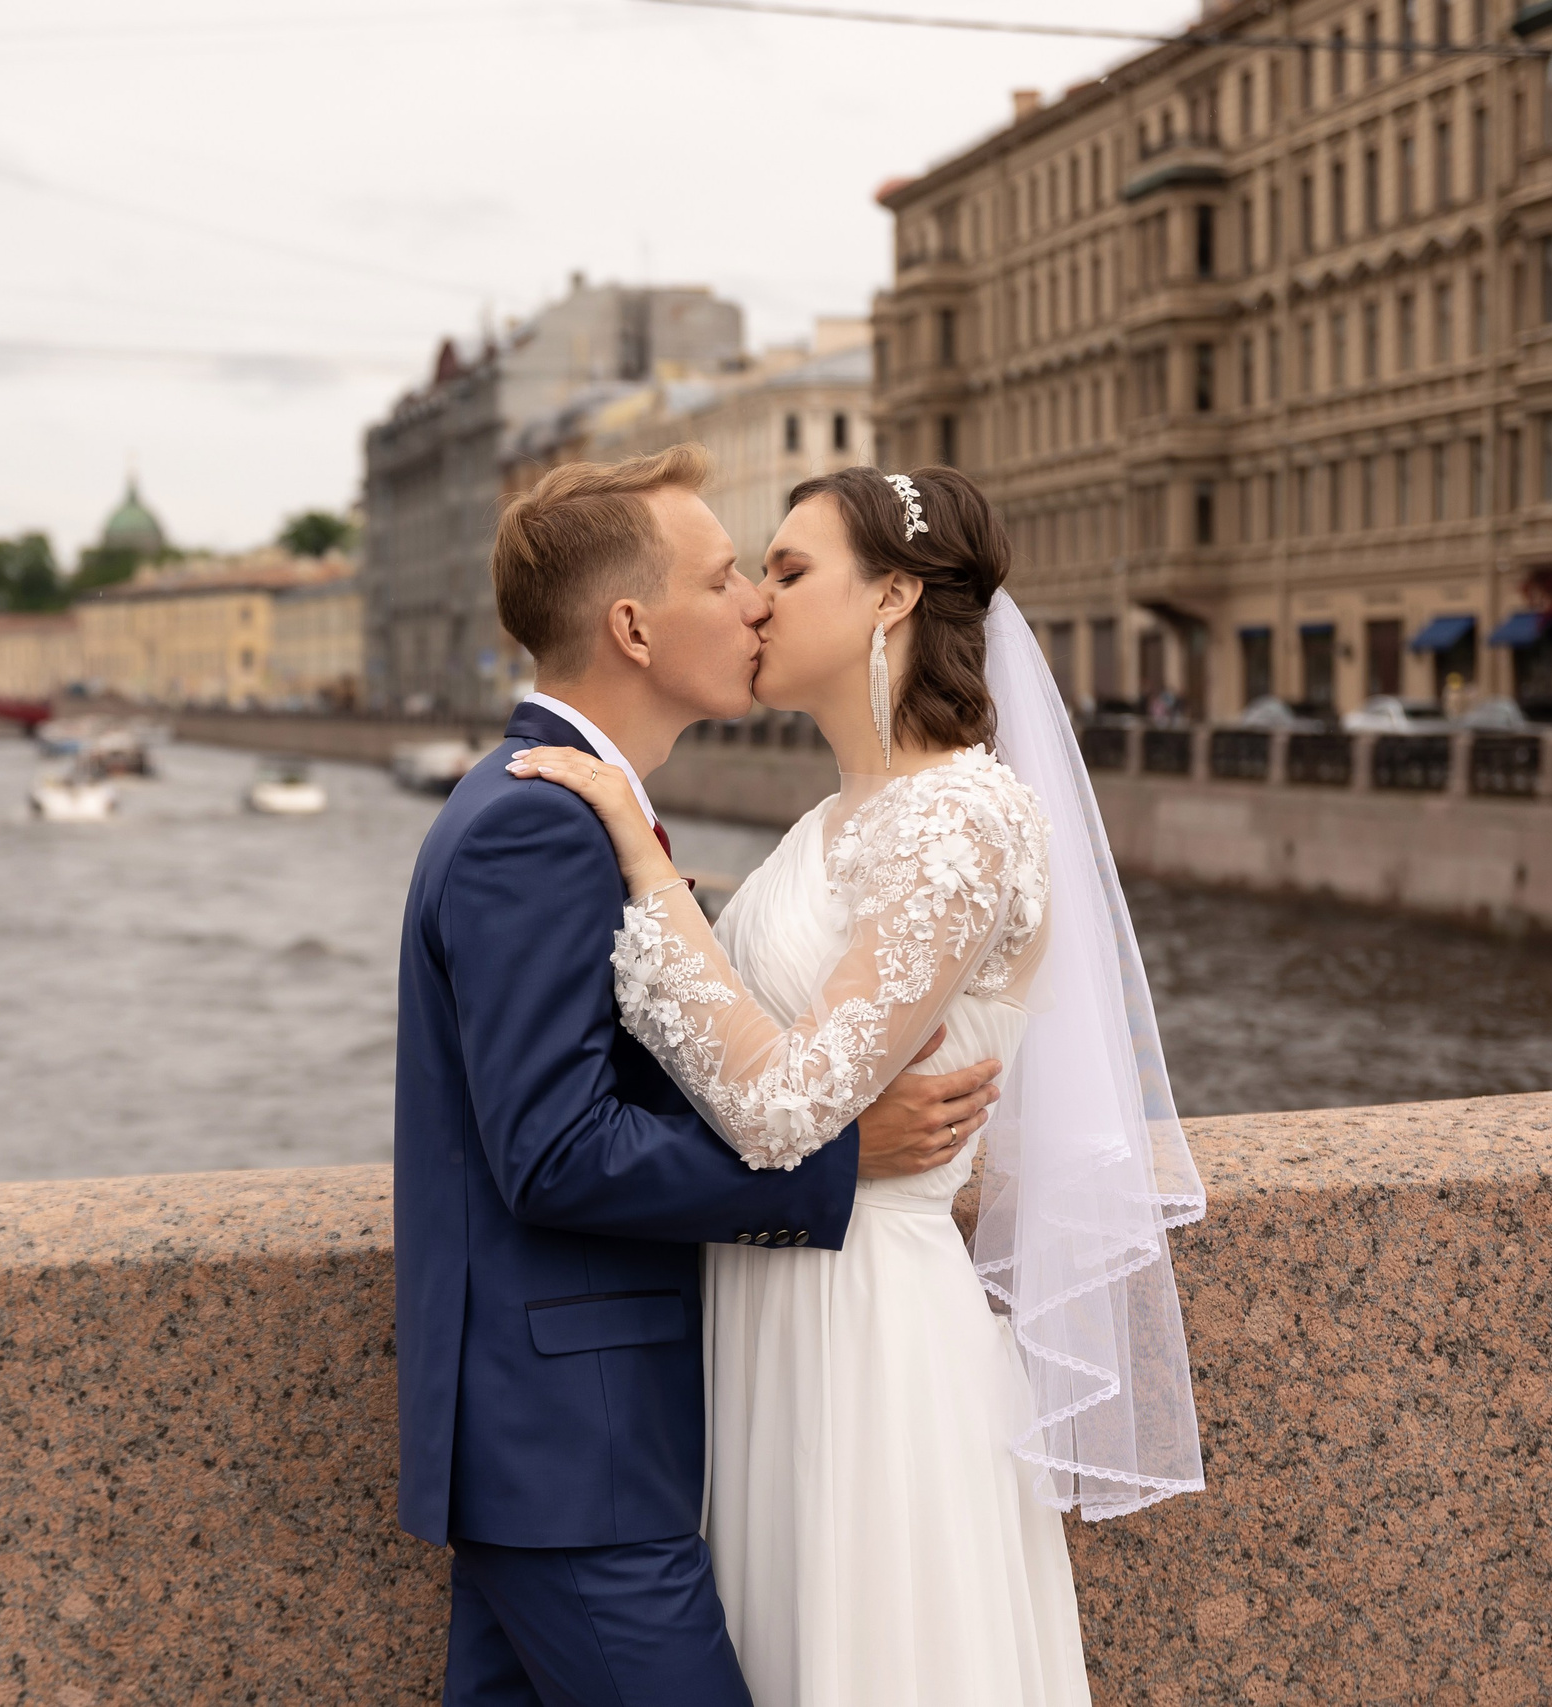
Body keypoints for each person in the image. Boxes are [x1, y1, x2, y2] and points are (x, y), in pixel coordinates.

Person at [511, 464, 1207, 1705]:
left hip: (868, 1326)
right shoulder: (829, 823)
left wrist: (642, 857)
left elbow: (782, 1107)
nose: (757, 606)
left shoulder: (961, 821)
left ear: (890, 596)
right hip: (769, 1308)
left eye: (786, 572)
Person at [392, 445, 1005, 1707]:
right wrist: (846, 1157)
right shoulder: (537, 822)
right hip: (578, 1441)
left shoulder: (575, 813)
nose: (754, 604)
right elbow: (552, 1150)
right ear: (631, 624)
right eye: (730, 574)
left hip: (601, 1428)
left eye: (775, 572)